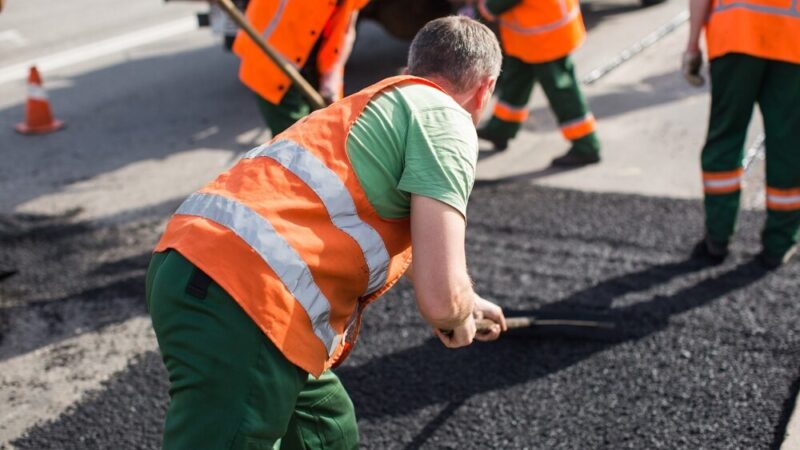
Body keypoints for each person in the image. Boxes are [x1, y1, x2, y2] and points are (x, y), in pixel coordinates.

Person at [147, 16, 507, 449]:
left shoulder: (376, 104)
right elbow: (442, 300)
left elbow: (410, 245)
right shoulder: (449, 122)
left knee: (326, 427)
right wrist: (458, 313)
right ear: (485, 88)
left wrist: (472, 302)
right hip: (245, 294)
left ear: (415, 65)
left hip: (192, 263)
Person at [684, 0, 799, 268]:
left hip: (735, 35)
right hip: (794, 40)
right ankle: (779, 244)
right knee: (789, 144)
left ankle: (717, 239)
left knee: (725, 138)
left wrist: (692, 45)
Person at [475, 0, 601, 166]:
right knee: (516, 82)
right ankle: (500, 129)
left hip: (544, 31)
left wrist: (490, 7)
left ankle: (586, 145)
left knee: (561, 90)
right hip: (530, 29)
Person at [233, 0, 369, 135]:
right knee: (295, 142)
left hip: (318, 66)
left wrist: (332, 75)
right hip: (272, 62)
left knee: (326, 136)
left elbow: (347, 26)